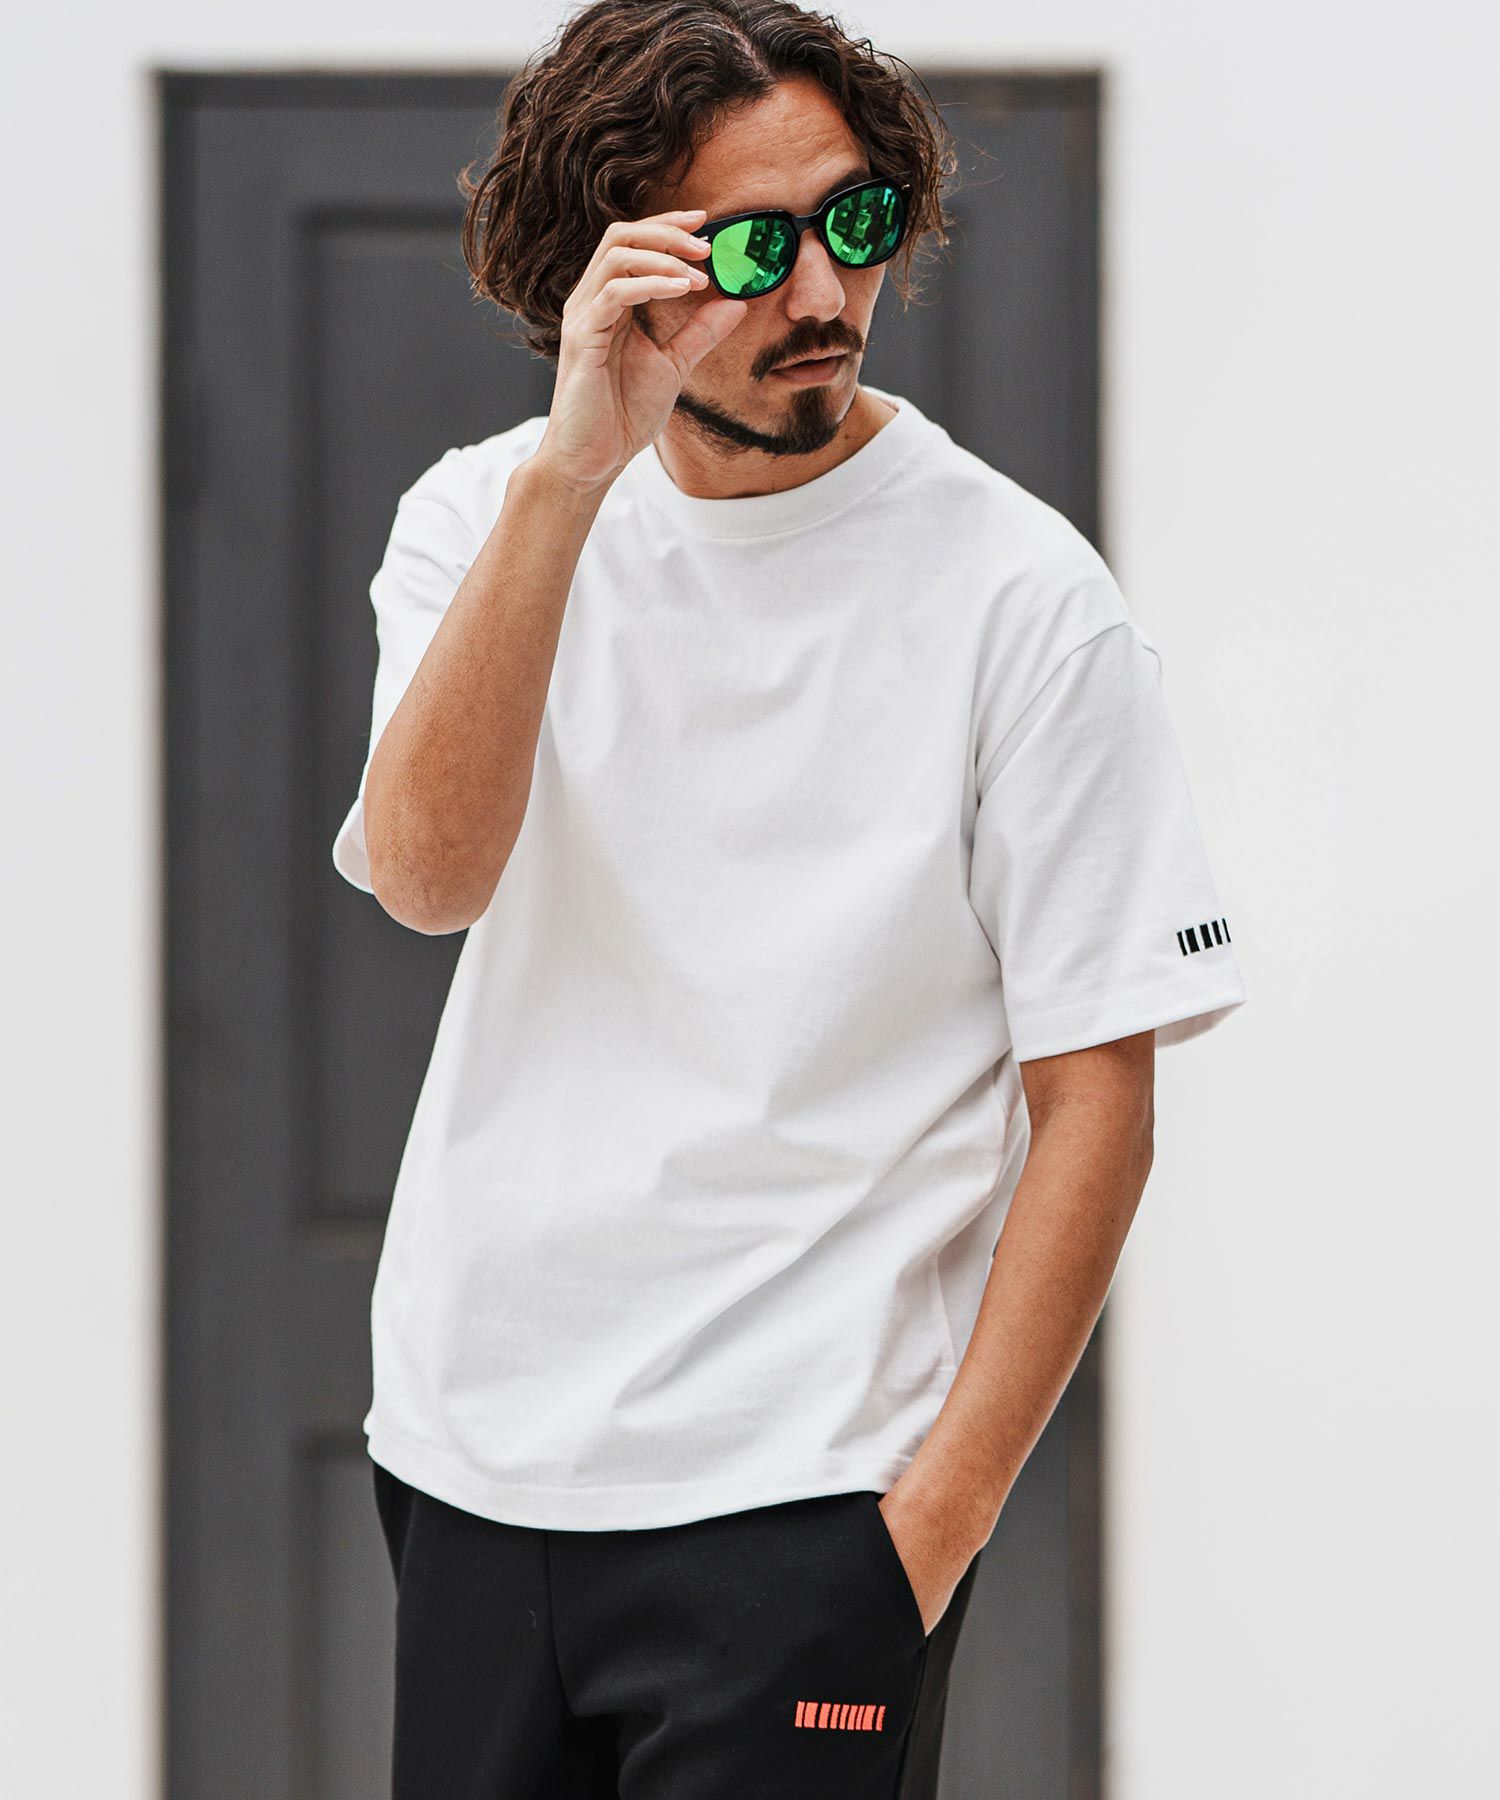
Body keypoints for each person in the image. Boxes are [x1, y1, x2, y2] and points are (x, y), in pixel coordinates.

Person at [329, 3, 1247, 1794]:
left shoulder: (1021, 597)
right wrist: (573, 478)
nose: (823, 292)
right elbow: (431, 881)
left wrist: (932, 1526)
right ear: (612, 267)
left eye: (856, 220)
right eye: (753, 248)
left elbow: (1099, 1104)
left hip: (810, 1494)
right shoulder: (477, 519)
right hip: (471, 1456)